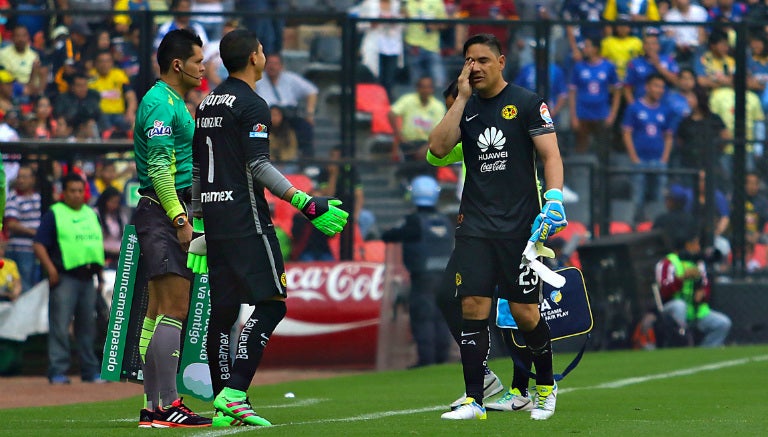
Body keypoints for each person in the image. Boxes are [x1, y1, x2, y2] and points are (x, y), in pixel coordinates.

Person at [187, 28, 348, 427]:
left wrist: (198, 220)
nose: (263, 54)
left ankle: (225, 402)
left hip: (217, 218)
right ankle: (236, 391)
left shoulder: (208, 103)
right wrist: (303, 200)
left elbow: (196, 168)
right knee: (273, 303)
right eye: (261, 49)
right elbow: (257, 165)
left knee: (223, 312)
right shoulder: (252, 103)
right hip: (246, 217)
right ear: (254, 58)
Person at [429, 33, 566, 421]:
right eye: (469, 61)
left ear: (501, 61)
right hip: (474, 224)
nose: (476, 67)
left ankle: (544, 386)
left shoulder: (526, 102)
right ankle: (475, 399)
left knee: (525, 313)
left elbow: (551, 154)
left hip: (520, 228)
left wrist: (554, 197)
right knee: (472, 306)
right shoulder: (465, 108)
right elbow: (437, 148)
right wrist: (459, 100)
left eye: (484, 60)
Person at [427, 78, 533, 413]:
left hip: (514, 229)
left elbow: (529, 172)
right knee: (448, 296)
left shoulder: (507, 124)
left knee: (513, 309)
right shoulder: (465, 136)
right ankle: (484, 377)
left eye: (456, 106)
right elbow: (435, 155)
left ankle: (523, 386)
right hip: (477, 232)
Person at [132, 29, 211, 428]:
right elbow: (160, 168)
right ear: (178, 64)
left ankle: (152, 408)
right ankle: (168, 405)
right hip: (164, 212)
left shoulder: (169, 101)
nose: (204, 67)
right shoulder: (162, 104)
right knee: (175, 309)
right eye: (198, 61)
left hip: (158, 211)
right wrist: (181, 219)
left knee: (158, 312)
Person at [32, 173, 106, 385]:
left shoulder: (91, 214)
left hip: (88, 277)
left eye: (79, 190)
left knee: (87, 328)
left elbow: (94, 246)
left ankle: (90, 371)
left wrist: (99, 276)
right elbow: (38, 244)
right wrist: (51, 270)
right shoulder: (54, 214)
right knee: (60, 326)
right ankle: (57, 370)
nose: (76, 195)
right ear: (63, 193)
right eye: (72, 191)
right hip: (64, 277)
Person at [380, 175, 453, 367]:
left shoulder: (413, 221)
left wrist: (388, 231)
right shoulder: (445, 220)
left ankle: (426, 359)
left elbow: (389, 235)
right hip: (446, 275)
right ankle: (441, 357)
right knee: (441, 316)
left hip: (424, 276)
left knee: (423, 316)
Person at [655, 231, 732, 347]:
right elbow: (664, 291)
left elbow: (705, 286)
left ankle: (704, 354)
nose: (698, 247)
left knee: (723, 323)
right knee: (680, 306)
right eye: (695, 244)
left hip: (695, 311)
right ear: (687, 245)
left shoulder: (698, 262)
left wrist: (702, 293)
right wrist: (681, 278)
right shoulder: (667, 263)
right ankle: (680, 345)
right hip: (670, 310)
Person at [621, 73, 674, 221]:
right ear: (647, 87)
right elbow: (626, 133)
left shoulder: (665, 110)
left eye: (662, 87)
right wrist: (634, 158)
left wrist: (665, 158)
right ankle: (635, 225)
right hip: (640, 159)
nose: (659, 90)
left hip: (659, 160)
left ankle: (656, 225)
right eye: (656, 86)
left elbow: (669, 136)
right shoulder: (634, 108)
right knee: (638, 196)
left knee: (659, 196)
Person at [254, 53, 318, 157]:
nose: (272, 66)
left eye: (275, 63)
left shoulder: (290, 79)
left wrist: (309, 113)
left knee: (305, 128)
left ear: (281, 66)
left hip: (288, 116)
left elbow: (312, 91)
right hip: (266, 117)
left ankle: (307, 162)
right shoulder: (257, 80)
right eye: (269, 63)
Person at [4, 165, 41, 292]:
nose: (20, 180)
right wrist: (35, 233)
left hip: (36, 249)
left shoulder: (39, 197)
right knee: (24, 285)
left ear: (33, 179)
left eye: (24, 177)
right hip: (20, 249)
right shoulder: (13, 197)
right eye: (19, 177)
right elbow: (11, 224)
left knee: (34, 283)